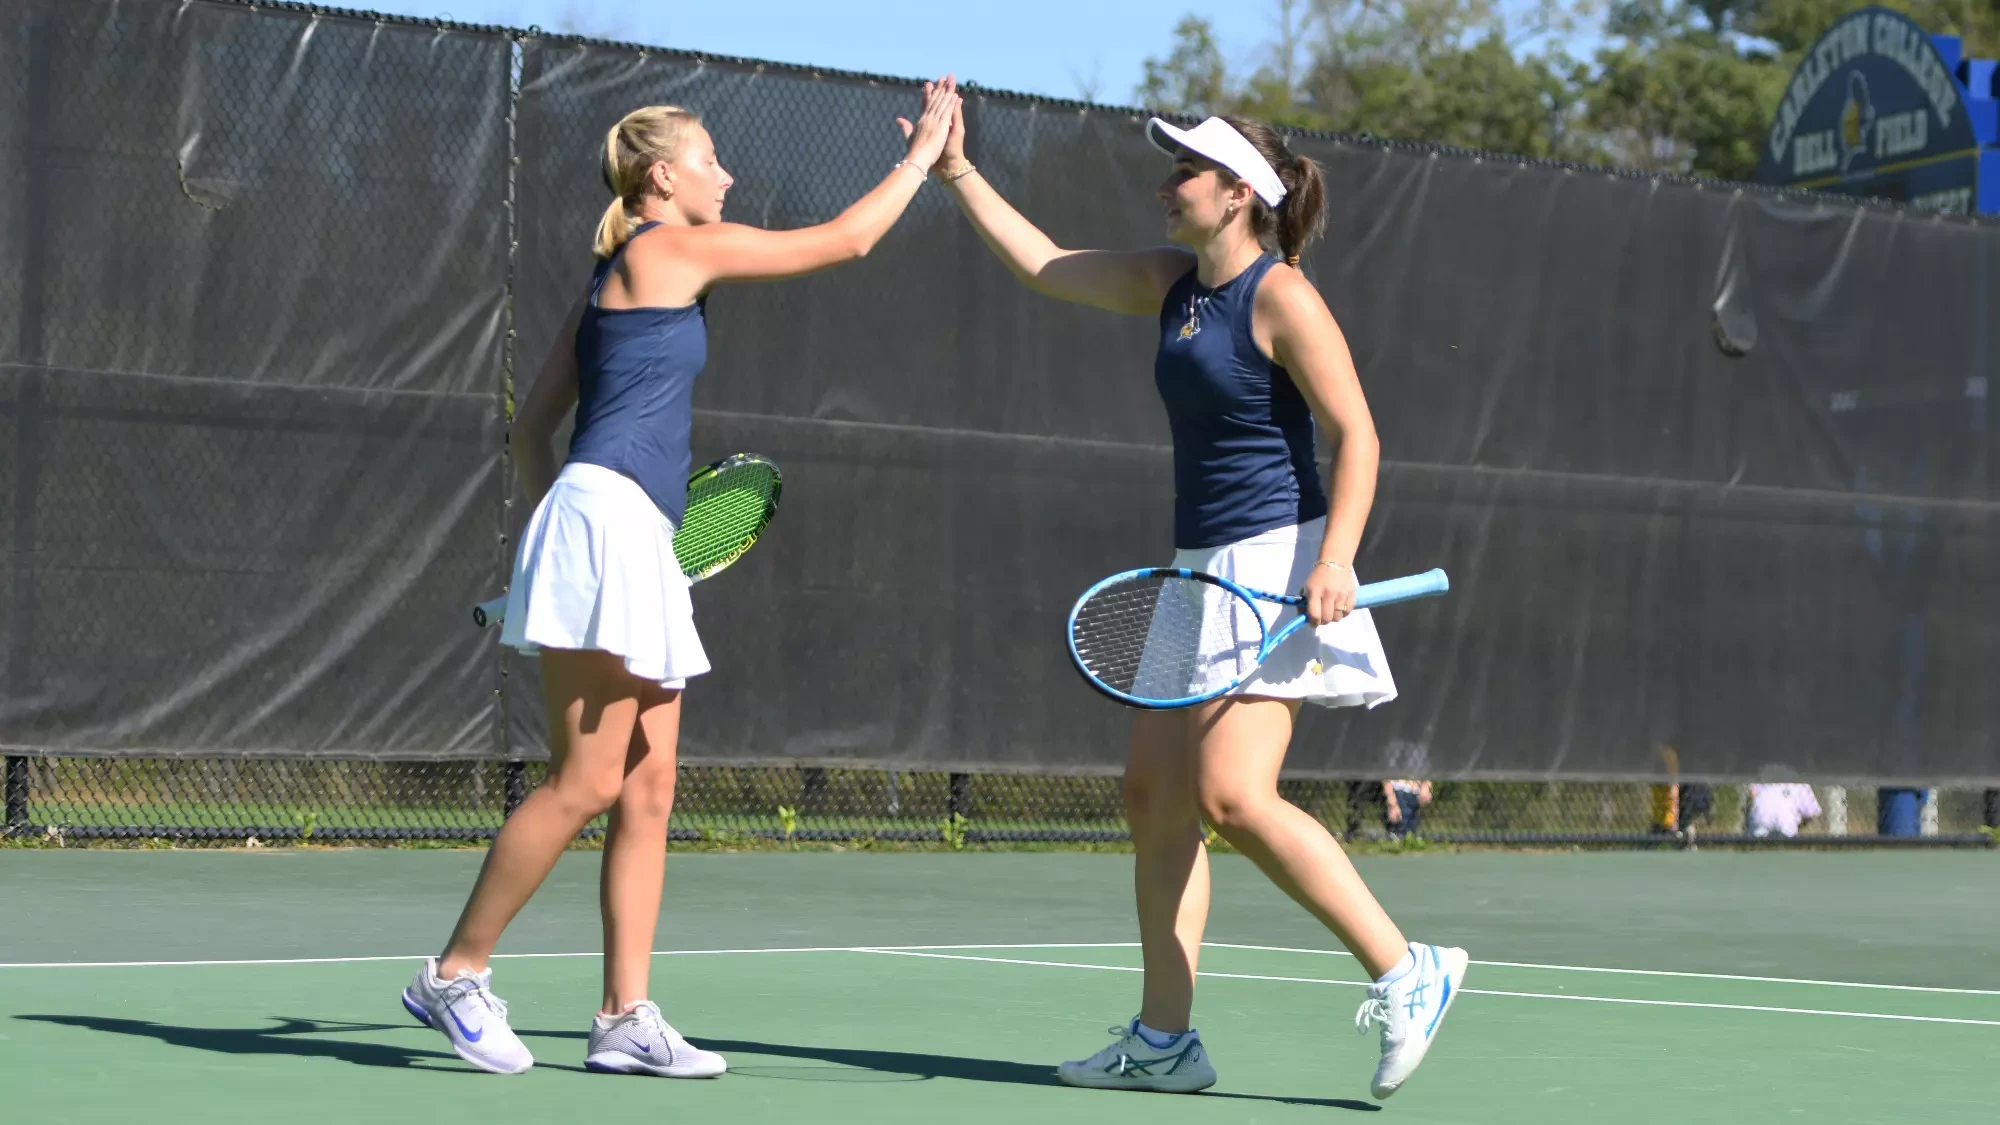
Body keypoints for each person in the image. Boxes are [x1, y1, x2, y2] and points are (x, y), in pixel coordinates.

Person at [398, 78, 964, 1078]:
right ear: (664, 177)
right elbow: (843, 241)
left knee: (648, 785)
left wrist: (560, 545)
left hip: (619, 533)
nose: (727, 174)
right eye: (711, 160)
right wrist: (923, 158)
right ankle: (453, 974)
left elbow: (534, 430)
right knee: (585, 782)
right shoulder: (667, 249)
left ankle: (624, 1017)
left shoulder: (617, 276)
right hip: (611, 526)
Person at [930, 97, 1467, 1100]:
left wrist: (1336, 559)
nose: (1164, 184)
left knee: (1231, 795)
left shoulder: (1283, 299)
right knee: (1155, 800)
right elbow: (1043, 264)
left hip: (1275, 556)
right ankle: (1164, 1040)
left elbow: (1356, 435)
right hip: (1197, 561)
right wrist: (955, 169)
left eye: (1184, 171)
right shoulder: (1172, 284)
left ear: (1236, 196)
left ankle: (1407, 969)